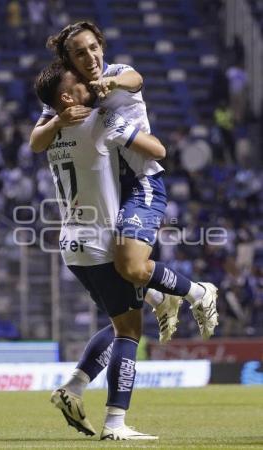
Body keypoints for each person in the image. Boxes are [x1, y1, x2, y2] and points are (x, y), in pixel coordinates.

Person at [30, 21, 219, 342]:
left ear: (101, 46)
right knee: (111, 265)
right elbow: (36, 142)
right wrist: (59, 119)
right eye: (80, 53)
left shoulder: (118, 72)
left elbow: (136, 79)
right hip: (108, 191)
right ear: (69, 61)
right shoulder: (69, 91)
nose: (90, 56)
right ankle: (161, 298)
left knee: (129, 266)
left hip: (140, 182)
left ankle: (198, 292)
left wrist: (112, 83)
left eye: (94, 47)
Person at [34, 63, 164, 440]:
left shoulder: (49, 132)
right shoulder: (98, 120)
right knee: (129, 330)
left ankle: (73, 387)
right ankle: (115, 423)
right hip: (101, 241)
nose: (88, 83)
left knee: (118, 320)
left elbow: (34, 141)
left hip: (72, 247)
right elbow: (158, 152)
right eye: (78, 82)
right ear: (66, 97)